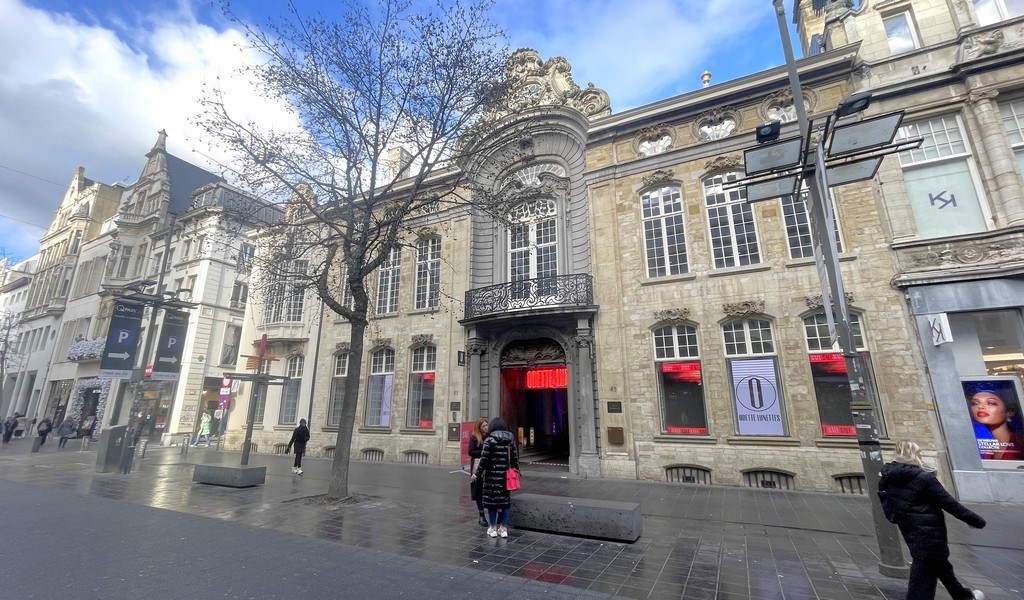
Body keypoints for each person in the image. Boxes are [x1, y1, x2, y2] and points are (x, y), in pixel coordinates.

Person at [879, 441, 986, 600]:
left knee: (939, 564)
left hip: (908, 528)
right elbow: (949, 503)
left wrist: (895, 517)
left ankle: (963, 596)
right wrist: (976, 520)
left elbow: (885, 499)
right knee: (923, 570)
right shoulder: (923, 478)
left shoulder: (888, 475)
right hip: (929, 531)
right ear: (915, 454)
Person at [471, 417, 518, 539]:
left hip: (491, 476)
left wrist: (477, 473)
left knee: (492, 503)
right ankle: (503, 528)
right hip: (506, 476)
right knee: (505, 502)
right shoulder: (510, 439)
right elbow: (514, 457)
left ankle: (492, 528)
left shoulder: (489, 440)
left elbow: (484, 460)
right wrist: (516, 470)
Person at [967, 388, 1024, 460]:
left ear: (1009, 412)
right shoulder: (983, 446)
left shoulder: (1021, 443)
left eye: (991, 403)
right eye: (975, 403)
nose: (980, 407)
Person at [467, 418, 490, 527]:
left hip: (488, 466)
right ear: (479, 427)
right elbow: (470, 451)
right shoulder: (474, 437)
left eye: (486, 425)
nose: (486, 427)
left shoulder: (489, 437)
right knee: (478, 490)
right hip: (477, 466)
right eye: (483, 426)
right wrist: (483, 452)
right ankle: (481, 515)